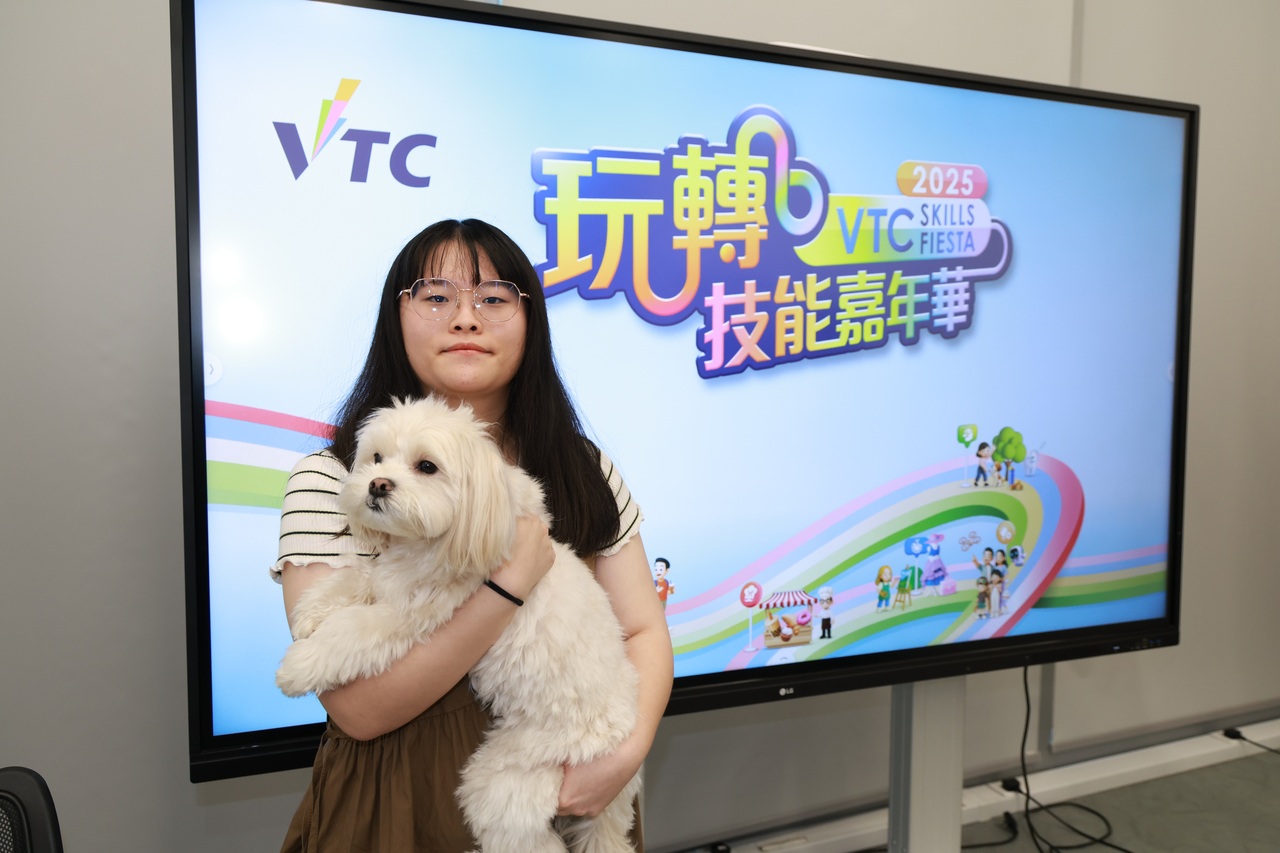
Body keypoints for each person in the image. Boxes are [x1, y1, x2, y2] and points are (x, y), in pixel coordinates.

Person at [272, 218, 674, 852]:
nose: (465, 319)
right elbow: (359, 710)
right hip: (399, 798)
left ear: (531, 320)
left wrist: (624, 754)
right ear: (395, 318)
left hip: (573, 784)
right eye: (436, 297)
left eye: (493, 298)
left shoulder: (581, 467)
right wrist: (509, 583)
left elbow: (643, 630)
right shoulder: (335, 479)